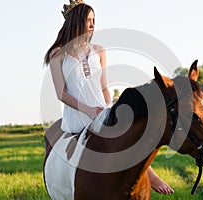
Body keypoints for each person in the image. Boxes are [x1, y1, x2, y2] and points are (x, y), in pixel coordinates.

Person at [44, 0, 174, 195]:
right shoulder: (58, 53)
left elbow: (103, 85)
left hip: (101, 107)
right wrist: (87, 109)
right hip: (78, 112)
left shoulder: (99, 50)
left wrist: (109, 108)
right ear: (76, 21)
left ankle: (148, 175)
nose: (92, 24)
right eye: (88, 20)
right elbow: (61, 93)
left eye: (94, 20)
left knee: (128, 134)